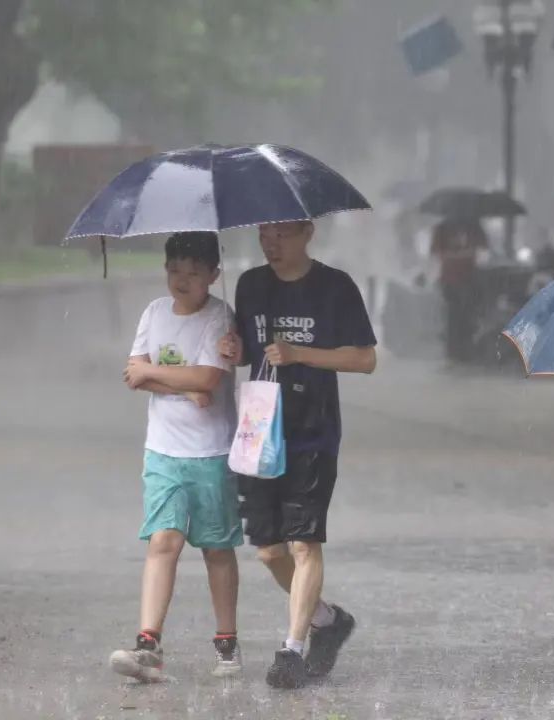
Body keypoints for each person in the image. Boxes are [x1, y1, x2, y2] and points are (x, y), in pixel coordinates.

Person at [218, 220, 377, 689]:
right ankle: (327, 621)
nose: (271, 243)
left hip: (313, 431)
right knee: (269, 552)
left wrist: (302, 353)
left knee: (305, 542)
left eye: (281, 234)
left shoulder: (334, 286)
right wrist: (235, 349)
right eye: (264, 234)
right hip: (260, 431)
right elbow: (252, 353)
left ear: (306, 232)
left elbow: (365, 359)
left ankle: (291, 650)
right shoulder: (250, 284)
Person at [110, 231, 243, 682]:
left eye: (192, 272)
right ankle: (148, 642)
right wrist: (184, 386)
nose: (181, 280)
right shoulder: (154, 312)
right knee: (163, 541)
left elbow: (209, 377)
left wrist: (173, 377)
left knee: (216, 548)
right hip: (163, 451)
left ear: (212, 275)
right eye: (174, 271)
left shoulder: (219, 317)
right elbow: (135, 374)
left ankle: (227, 639)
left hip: (211, 453)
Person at [430, 217, 488, 362]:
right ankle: (453, 351)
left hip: (469, 278)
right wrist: (458, 255)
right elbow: (435, 251)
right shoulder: (442, 229)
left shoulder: (474, 226)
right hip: (450, 279)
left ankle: (465, 350)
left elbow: (484, 246)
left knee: (467, 315)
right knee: (453, 316)